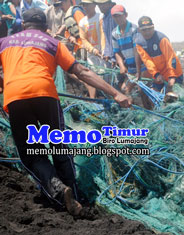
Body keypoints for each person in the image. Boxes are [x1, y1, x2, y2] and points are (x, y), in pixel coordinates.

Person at [0, 8, 131, 216]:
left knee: (31, 154)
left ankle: (60, 191)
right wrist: (116, 94)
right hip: (45, 94)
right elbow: (82, 72)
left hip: (15, 97)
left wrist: (4, 84)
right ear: (45, 27)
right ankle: (75, 195)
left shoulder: (5, 42)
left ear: (23, 25)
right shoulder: (52, 43)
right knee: (59, 145)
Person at [135, 16, 183, 104]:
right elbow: (147, 61)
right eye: (144, 30)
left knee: (172, 100)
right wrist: (156, 74)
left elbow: (170, 58)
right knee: (154, 98)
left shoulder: (162, 39)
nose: (147, 32)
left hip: (173, 73)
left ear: (153, 27)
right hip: (159, 75)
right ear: (139, 30)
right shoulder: (139, 43)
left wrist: (172, 77)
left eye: (149, 29)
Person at [111, 4, 146, 94]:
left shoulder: (134, 29)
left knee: (143, 91)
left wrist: (138, 72)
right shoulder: (114, 33)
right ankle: (132, 107)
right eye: (115, 17)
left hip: (142, 66)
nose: (117, 19)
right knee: (125, 90)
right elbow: (117, 52)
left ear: (125, 15)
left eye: (119, 16)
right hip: (130, 68)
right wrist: (122, 66)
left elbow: (137, 50)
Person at [78, 0, 105, 98]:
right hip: (91, 55)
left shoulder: (100, 17)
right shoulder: (82, 22)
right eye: (84, 5)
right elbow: (84, 40)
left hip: (103, 54)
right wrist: (93, 50)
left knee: (105, 77)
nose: (86, 7)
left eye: (88, 5)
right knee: (93, 78)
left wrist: (103, 49)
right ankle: (94, 100)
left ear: (94, 5)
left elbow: (103, 33)